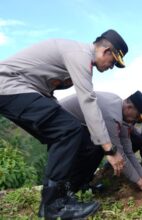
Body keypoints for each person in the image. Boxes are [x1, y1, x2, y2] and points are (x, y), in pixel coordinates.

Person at [0, 29, 128, 218]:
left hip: (25, 90)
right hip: (7, 85)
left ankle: (64, 194)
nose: (111, 67)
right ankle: (54, 205)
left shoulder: (78, 59)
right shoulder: (79, 55)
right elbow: (88, 101)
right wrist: (109, 149)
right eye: (113, 63)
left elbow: (46, 91)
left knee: (84, 140)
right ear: (106, 51)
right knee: (68, 131)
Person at [60, 91, 142, 192]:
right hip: (60, 118)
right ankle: (69, 190)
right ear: (129, 107)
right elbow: (119, 153)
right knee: (95, 147)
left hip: (77, 122)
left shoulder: (121, 111)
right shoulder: (112, 115)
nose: (136, 121)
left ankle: (82, 185)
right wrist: (141, 183)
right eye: (137, 116)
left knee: (99, 147)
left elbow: (128, 151)